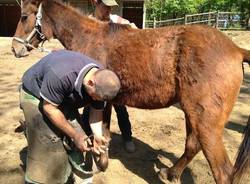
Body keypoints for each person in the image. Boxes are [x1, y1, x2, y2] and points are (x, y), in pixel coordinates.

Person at [19, 50, 121, 184]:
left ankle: (71, 173)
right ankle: (37, 179)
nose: (95, 99)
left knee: (78, 138)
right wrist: (75, 135)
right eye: (94, 96)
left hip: (62, 97)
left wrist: (96, 135)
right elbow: (48, 108)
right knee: (48, 144)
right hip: (36, 95)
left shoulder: (101, 83)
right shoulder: (62, 74)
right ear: (90, 82)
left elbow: (96, 111)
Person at [82, 0, 136, 153]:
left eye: (111, 6)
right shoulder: (87, 23)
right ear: (95, 3)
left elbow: (136, 31)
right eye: (105, 6)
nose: (109, 9)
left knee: (121, 108)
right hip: (95, 76)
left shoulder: (117, 21)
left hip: (114, 77)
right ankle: (91, 138)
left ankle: (127, 137)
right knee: (91, 109)